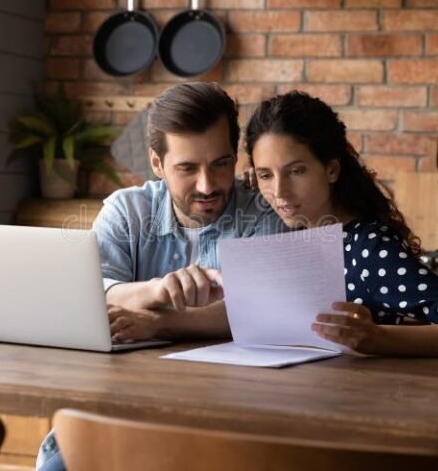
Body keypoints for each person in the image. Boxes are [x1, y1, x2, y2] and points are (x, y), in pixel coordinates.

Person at [36, 82, 282, 471]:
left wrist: (159, 323)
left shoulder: (263, 214)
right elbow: (84, 293)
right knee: (60, 462)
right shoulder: (127, 210)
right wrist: (154, 290)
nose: (207, 185)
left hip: (232, 410)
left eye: (220, 163)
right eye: (187, 168)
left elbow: (262, 309)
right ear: (156, 163)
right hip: (124, 403)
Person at [245, 90, 438, 359]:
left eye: (296, 171)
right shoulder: (291, 238)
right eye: (266, 175)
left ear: (332, 169)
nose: (279, 191)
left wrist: (377, 337)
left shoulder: (367, 248)